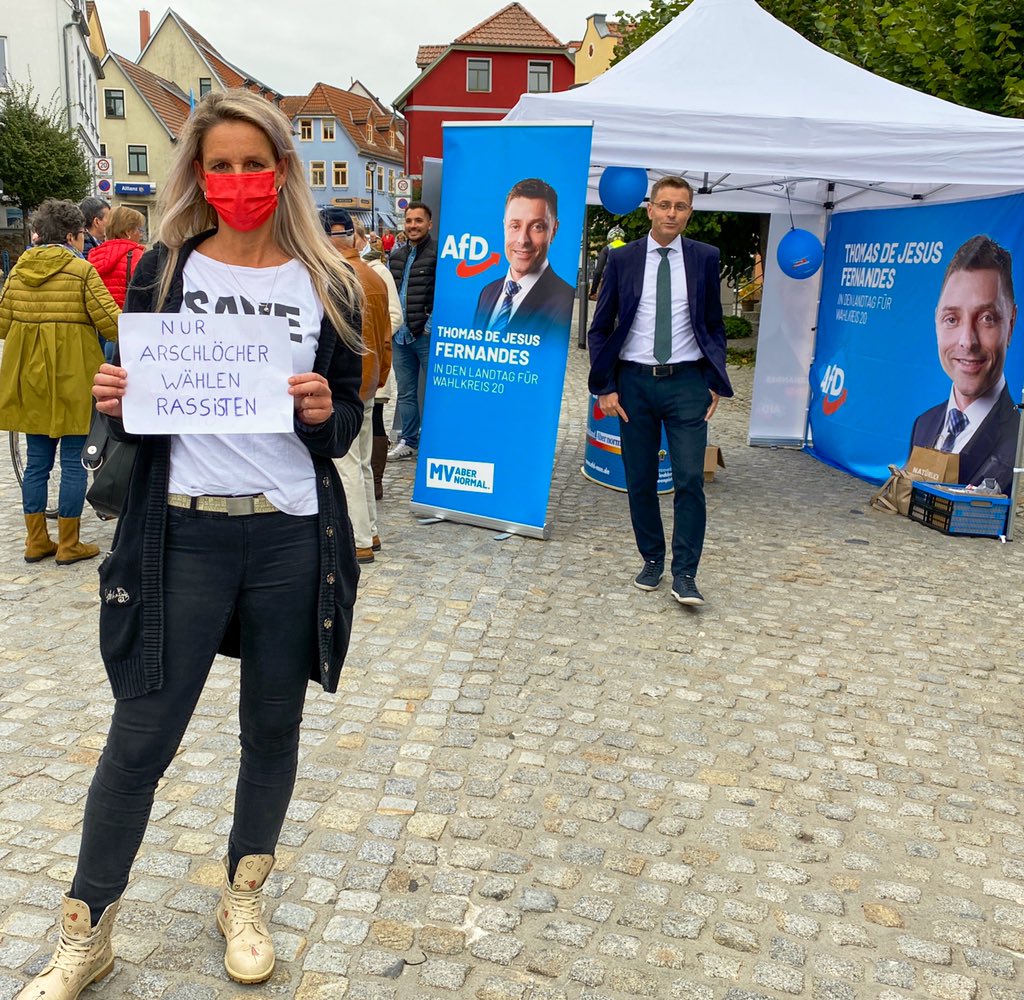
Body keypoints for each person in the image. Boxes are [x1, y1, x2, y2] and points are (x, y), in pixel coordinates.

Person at [13, 90, 363, 999]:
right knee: (140, 738)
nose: (240, 181)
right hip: (183, 534)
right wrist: (115, 398)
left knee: (271, 729)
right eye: (222, 165)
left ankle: (243, 896)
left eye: (256, 164)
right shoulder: (166, 270)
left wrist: (329, 415)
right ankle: (87, 931)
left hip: (288, 535)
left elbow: (348, 418)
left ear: (281, 169)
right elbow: (133, 402)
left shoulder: (327, 280)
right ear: (198, 175)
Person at [588, 175, 732, 607]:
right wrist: (606, 388)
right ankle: (652, 558)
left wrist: (713, 379)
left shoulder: (706, 258)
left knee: (689, 478)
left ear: (690, 212)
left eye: (681, 206)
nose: (672, 213)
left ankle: (685, 573)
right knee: (640, 480)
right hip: (634, 385)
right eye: (665, 205)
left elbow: (714, 325)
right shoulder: (623, 259)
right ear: (649, 208)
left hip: (687, 382)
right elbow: (600, 329)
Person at [0, 198, 120, 567]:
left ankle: (36, 539)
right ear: (71, 235)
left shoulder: (18, 271)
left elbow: (2, 324)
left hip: (30, 379)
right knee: (72, 463)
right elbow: (111, 324)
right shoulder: (80, 271)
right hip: (73, 377)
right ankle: (69, 544)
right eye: (82, 234)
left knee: (37, 462)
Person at [908, 234, 1019, 494]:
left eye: (987, 318)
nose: (967, 341)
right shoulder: (923, 424)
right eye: (952, 319)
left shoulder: (1019, 439)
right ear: (936, 321)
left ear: (1011, 324)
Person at [322, 207, 391, 563]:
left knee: (347, 463)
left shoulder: (334, 277)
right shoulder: (374, 275)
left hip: (344, 382)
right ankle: (372, 531)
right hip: (368, 379)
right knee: (361, 462)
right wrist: (380, 376)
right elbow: (385, 336)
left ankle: (360, 539)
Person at [473, 177, 576, 335]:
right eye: (515, 226)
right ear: (504, 226)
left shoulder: (565, 302)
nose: (523, 240)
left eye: (537, 227)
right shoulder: (487, 292)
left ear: (554, 230)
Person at [355, 219, 402, 500]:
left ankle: (375, 481)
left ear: (362, 239)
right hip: (354, 365)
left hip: (372, 359)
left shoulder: (378, 271)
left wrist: (368, 340)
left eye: (353, 235)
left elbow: (394, 315)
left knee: (375, 423)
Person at [387, 201, 437, 461]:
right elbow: (389, 295)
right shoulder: (395, 256)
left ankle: (436, 440)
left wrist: (430, 326)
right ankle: (409, 440)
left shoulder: (437, 253)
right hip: (400, 336)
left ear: (429, 224)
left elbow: (443, 294)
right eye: (409, 221)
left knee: (436, 389)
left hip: (425, 336)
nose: (413, 225)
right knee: (406, 392)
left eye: (418, 221)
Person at [590, 225, 627, 300]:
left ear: (610, 238)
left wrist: (593, 291)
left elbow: (598, 271)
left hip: (609, 286)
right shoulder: (630, 248)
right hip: (626, 285)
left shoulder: (607, 249)